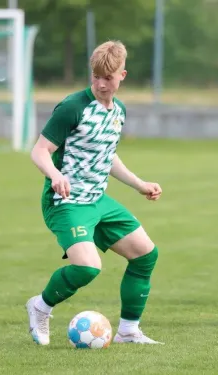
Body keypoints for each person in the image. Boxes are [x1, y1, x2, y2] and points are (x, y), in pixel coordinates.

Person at [25, 40, 163, 346]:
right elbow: (39, 151)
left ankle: (128, 330)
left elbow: (107, 155)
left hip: (98, 201)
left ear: (122, 76)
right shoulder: (73, 107)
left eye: (108, 78)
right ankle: (40, 307)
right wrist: (56, 174)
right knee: (88, 268)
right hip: (67, 203)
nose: (101, 84)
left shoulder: (118, 111)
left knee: (145, 255)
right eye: (96, 77)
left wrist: (140, 184)